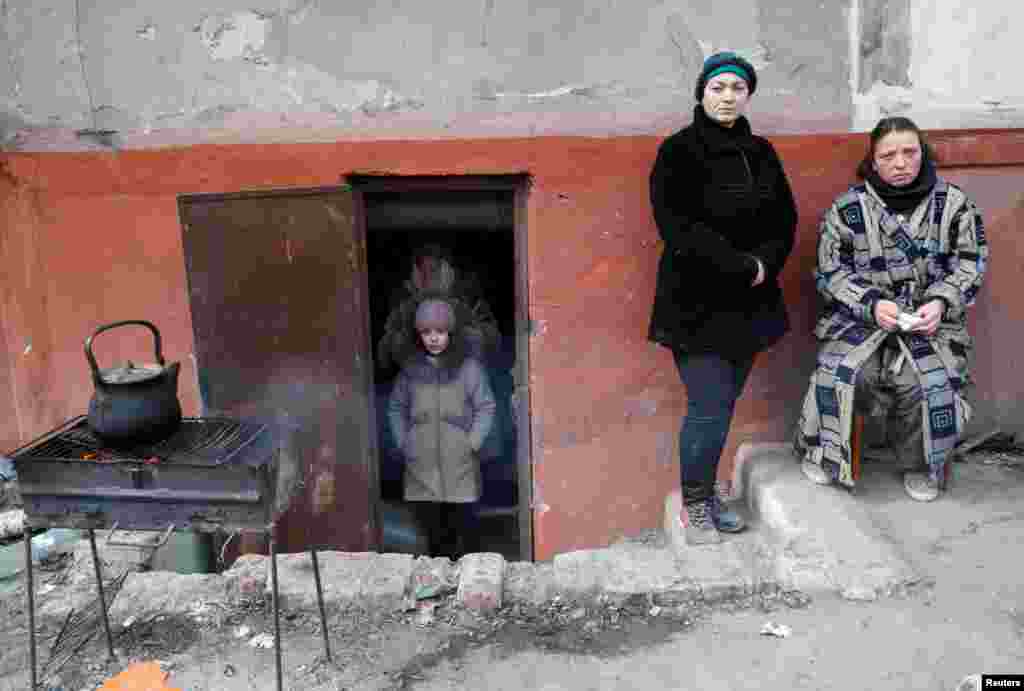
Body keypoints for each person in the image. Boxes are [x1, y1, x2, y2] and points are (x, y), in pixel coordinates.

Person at [795, 116, 988, 502]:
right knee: (844, 371)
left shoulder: (954, 205)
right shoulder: (848, 209)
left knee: (927, 382)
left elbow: (971, 261)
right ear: (873, 160)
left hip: (930, 323)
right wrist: (871, 303)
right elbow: (831, 270)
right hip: (862, 321)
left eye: (909, 152)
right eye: (889, 155)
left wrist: (940, 301)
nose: (900, 163)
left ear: (923, 154)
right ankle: (829, 453)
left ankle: (921, 466)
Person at [648, 52, 798, 545]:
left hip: (750, 302)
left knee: (722, 405)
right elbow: (677, 225)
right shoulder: (677, 151)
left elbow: (785, 219)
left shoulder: (762, 152)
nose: (728, 96)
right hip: (695, 302)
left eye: (737, 87)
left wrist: (764, 264)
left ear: (748, 95)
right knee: (708, 405)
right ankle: (696, 502)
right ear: (702, 93)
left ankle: (707, 492)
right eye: (718, 87)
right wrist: (741, 266)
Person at [387, 293, 497, 558]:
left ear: (451, 332)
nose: (433, 338)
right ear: (418, 335)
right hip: (421, 464)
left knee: (466, 530)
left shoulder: (469, 369)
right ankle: (440, 586)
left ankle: (467, 585)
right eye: (426, 332)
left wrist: (472, 442)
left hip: (459, 462)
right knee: (433, 534)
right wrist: (404, 442)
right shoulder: (410, 371)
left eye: (440, 331)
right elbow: (396, 408)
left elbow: (486, 406)